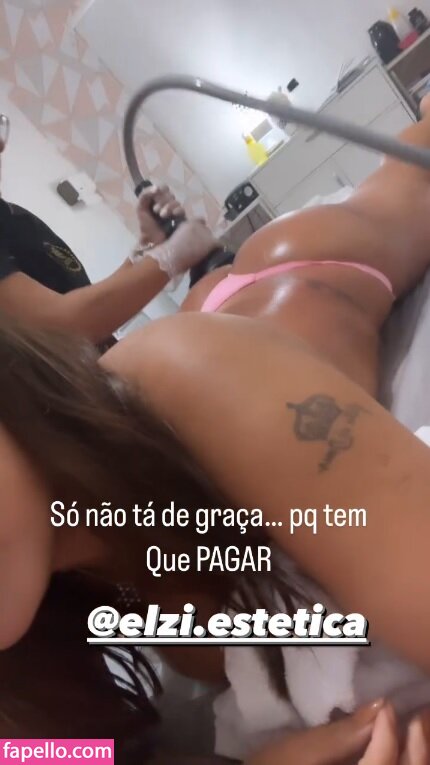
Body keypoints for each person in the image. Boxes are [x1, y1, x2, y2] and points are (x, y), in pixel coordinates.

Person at [3, 98, 430, 762]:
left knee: (407, 178)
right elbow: (54, 755)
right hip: (173, 360)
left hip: (300, 278)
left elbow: (59, 324)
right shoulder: (42, 606)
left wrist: (165, 261)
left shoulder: (189, 385)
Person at [0, 115, 217, 352]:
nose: (2, 144)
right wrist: (171, 258)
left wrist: (148, 249)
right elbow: (61, 328)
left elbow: (81, 300)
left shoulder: (12, 218)